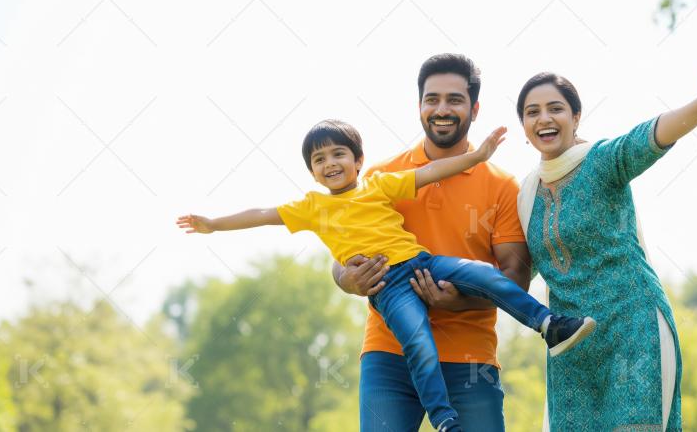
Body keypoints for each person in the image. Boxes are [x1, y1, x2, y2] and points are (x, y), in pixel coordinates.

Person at [176, 118, 596, 432]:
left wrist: (478, 156)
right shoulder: (312, 207)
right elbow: (263, 214)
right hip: (389, 288)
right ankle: (444, 418)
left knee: (485, 275)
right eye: (319, 160)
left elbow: (430, 173)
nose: (330, 163)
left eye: (338, 154)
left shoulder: (378, 185)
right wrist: (214, 224)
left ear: (358, 161)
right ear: (312, 173)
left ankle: (549, 324)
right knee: (418, 342)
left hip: (422, 262)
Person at [512, 42, 697, 431]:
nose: (544, 119)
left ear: (575, 117)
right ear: (524, 127)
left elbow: (650, 136)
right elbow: (514, 274)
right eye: (532, 112)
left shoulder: (603, 161)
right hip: (572, 353)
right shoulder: (526, 197)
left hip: (633, 331)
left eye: (555, 108)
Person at [335, 53, 536, 431]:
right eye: (432, 99)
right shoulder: (382, 175)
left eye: (454, 100)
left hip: (470, 358)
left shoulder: (502, 186)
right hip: (389, 354)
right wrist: (347, 279)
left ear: (474, 109)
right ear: (419, 106)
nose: (442, 109)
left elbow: (517, 277)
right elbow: (342, 256)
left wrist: (460, 302)